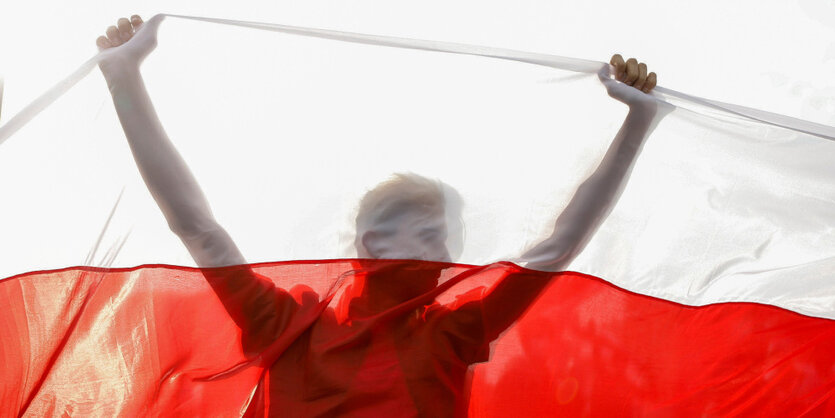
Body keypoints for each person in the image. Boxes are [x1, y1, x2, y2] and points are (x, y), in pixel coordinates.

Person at [96, 15, 666, 417]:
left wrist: (636, 125)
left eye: (438, 227)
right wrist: (125, 77)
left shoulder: (453, 331)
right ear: (366, 241)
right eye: (411, 218)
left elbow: (557, 246)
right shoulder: (288, 325)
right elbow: (196, 226)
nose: (433, 235)